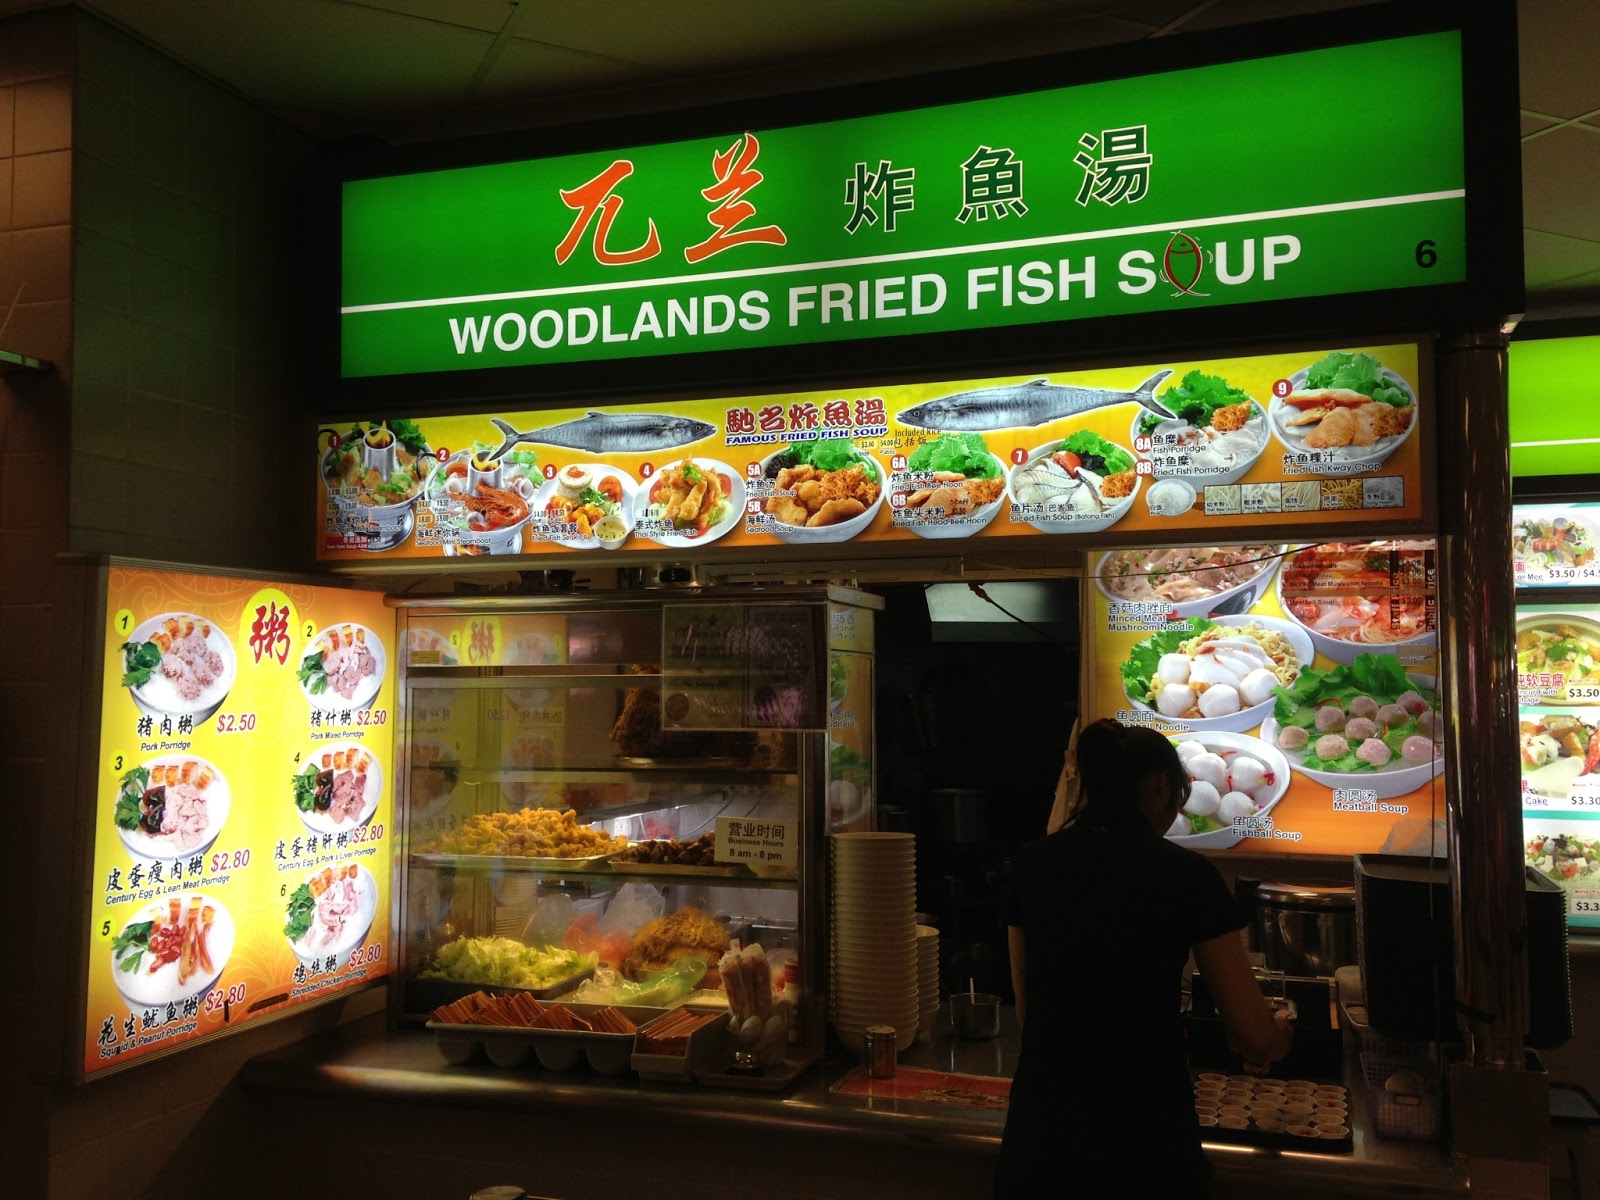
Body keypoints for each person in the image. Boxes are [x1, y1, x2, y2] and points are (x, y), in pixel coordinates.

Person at [996, 719, 1292, 1198]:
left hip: (1042, 1139)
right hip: (1144, 1138)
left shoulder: (1030, 865)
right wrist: (1281, 1038)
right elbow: (1253, 1034)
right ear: (1160, 786)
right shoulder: (1187, 876)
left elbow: (1029, 1009)